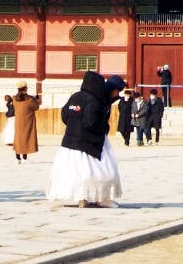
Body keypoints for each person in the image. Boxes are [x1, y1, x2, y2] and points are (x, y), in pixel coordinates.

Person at [47, 72, 126, 208]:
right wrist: (102, 128)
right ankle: (102, 198)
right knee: (101, 172)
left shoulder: (75, 96)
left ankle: (82, 198)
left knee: (77, 173)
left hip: (70, 142)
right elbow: (91, 121)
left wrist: (74, 125)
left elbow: (65, 115)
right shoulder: (93, 100)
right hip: (90, 142)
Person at [12, 81, 40, 164]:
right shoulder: (30, 99)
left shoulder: (14, 99)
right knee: (26, 138)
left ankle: (17, 158)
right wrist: (36, 99)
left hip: (18, 121)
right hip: (27, 121)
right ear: (25, 88)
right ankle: (24, 157)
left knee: (18, 138)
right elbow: (36, 107)